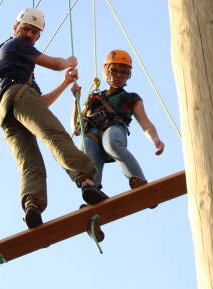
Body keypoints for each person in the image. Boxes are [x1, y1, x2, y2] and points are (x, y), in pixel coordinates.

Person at [0, 7, 108, 229]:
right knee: (55, 135)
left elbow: (39, 103)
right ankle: (87, 181)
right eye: (26, 29)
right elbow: (54, 64)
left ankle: (32, 206)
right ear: (15, 28)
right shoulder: (16, 45)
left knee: (30, 163)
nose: (29, 35)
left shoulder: (19, 68)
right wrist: (68, 62)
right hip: (19, 97)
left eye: (35, 32)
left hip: (7, 114)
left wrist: (64, 83)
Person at [71, 49, 165, 191]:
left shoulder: (131, 98)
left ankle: (139, 180)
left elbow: (145, 123)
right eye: (114, 71)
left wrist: (155, 139)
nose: (119, 75)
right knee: (86, 145)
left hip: (114, 128)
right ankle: (92, 192)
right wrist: (75, 101)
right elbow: (76, 129)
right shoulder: (93, 98)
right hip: (92, 134)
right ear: (106, 71)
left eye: (124, 72)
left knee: (111, 142)